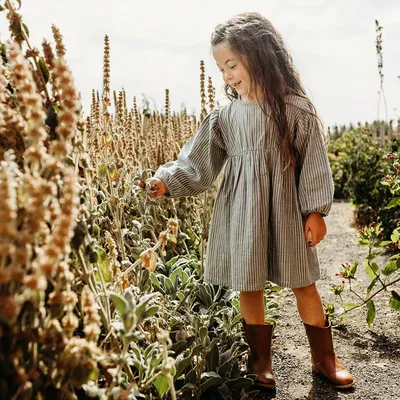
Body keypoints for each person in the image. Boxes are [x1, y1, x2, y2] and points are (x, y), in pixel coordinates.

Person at [138, 12, 354, 391]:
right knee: (249, 284)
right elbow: (197, 162)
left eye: (232, 65)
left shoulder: (294, 108)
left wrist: (316, 210)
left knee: (303, 282)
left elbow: (314, 162)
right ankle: (260, 363)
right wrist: (166, 181)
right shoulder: (224, 116)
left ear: (258, 56)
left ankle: (325, 359)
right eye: (221, 69)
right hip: (242, 212)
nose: (226, 76)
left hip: (287, 211)